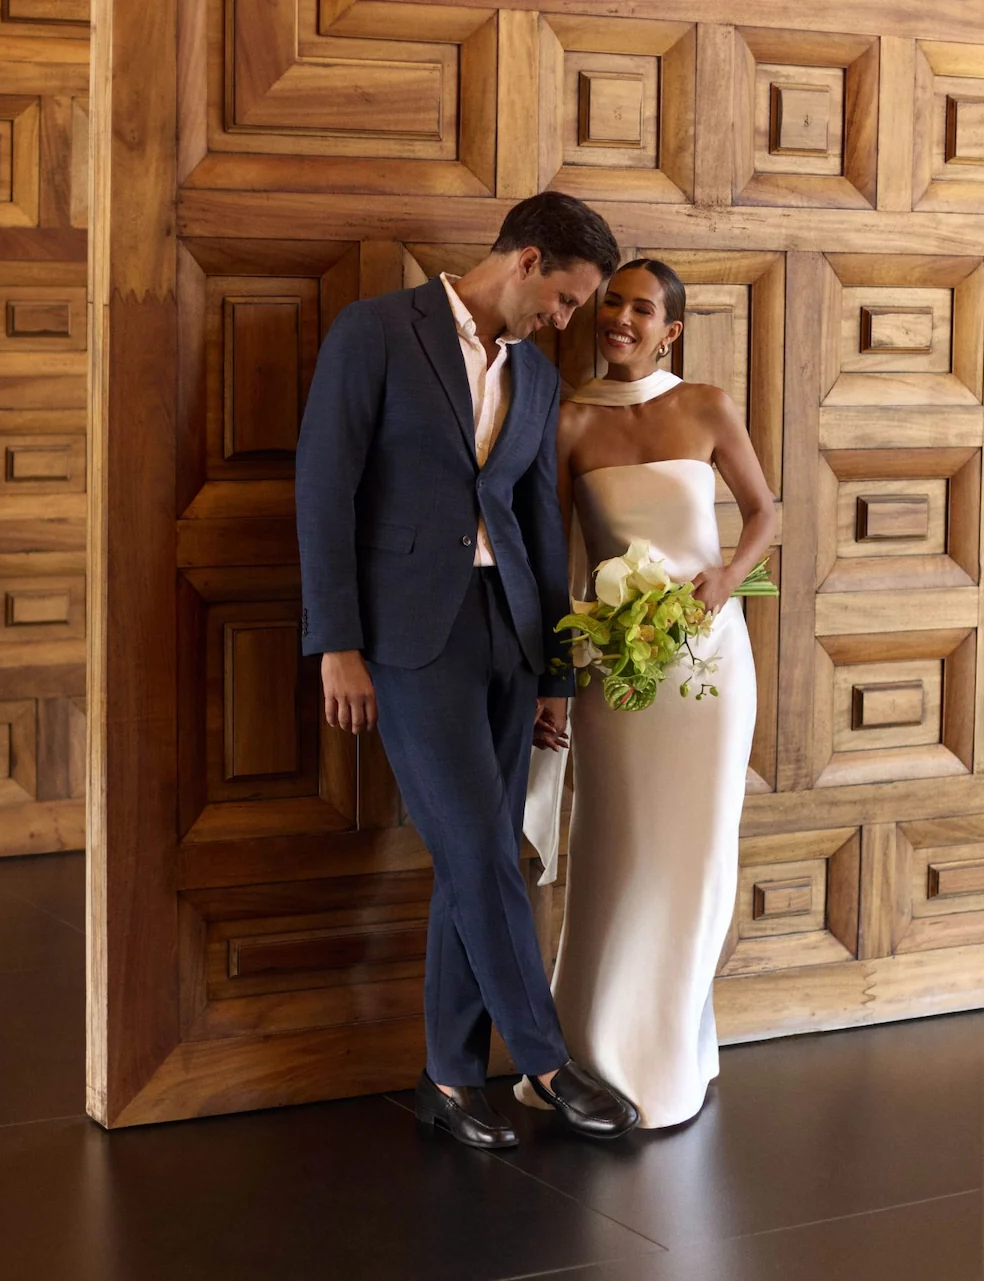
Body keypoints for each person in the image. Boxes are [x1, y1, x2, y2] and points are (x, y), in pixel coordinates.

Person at [296, 192, 640, 1150]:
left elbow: (541, 523)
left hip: (509, 634)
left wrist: (555, 676)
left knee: (474, 856)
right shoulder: (376, 332)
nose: (569, 323)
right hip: (407, 642)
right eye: (566, 300)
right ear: (526, 261)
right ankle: (542, 1057)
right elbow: (323, 486)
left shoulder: (532, 377)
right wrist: (338, 641)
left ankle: (449, 1079)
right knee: (481, 847)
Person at [520, 258, 779, 1128]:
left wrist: (727, 577)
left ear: (671, 328)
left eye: (642, 309)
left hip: (707, 666)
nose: (621, 318)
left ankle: (669, 1055)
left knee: (696, 854)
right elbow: (559, 561)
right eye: (612, 303)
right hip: (613, 674)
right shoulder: (569, 419)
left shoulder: (705, 403)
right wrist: (554, 684)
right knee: (617, 850)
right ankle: (593, 1052)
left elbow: (766, 512)